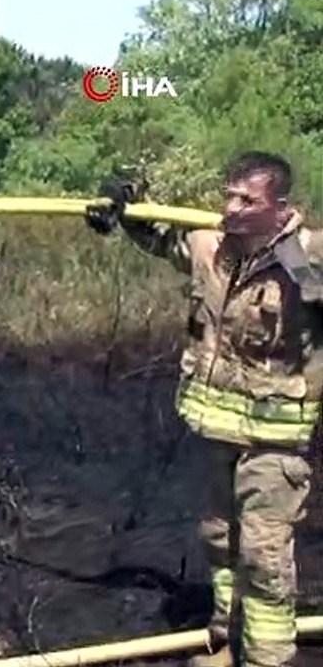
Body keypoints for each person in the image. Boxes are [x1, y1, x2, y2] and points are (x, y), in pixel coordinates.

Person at [86, 152, 323, 666]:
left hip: (275, 442)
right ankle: (227, 641)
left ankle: (266, 659)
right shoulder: (209, 246)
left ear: (282, 208)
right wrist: (123, 209)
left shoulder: (310, 257)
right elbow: (160, 237)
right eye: (229, 196)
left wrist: (305, 272)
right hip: (218, 430)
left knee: (264, 558)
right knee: (221, 539)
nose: (232, 208)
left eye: (248, 200)